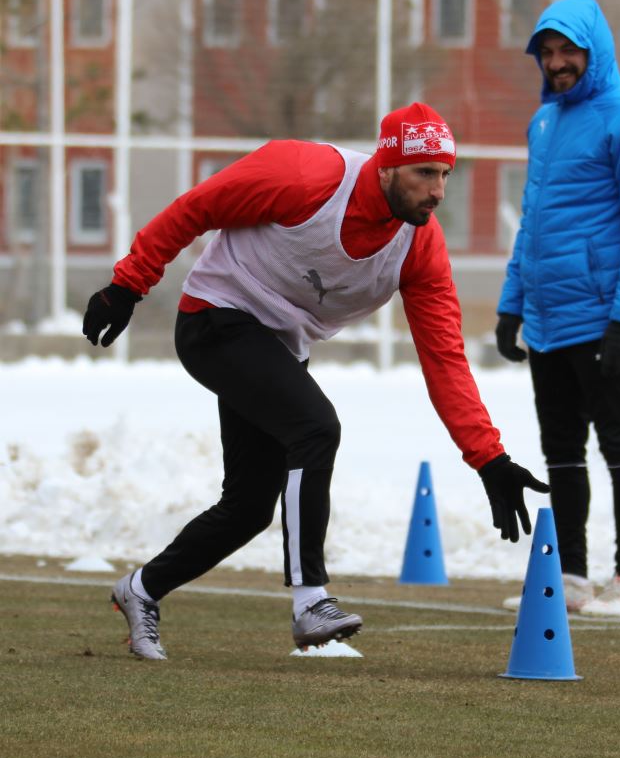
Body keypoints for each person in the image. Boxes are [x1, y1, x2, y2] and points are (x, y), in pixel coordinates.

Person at [82, 102, 549, 660]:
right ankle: (310, 601)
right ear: (386, 166)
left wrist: (489, 459)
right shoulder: (305, 175)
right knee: (316, 428)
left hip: (278, 347)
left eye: (446, 174)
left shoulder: (420, 247)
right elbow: (196, 207)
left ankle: (140, 589)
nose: (438, 190)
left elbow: (445, 359)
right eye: (425, 172)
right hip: (215, 317)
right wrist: (128, 285)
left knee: (249, 508)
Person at [495, 0, 620, 618]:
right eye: (547, 52)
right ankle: (571, 577)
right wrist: (512, 305)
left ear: (595, 51)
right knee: (562, 453)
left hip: (602, 320)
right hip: (547, 322)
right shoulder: (543, 123)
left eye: (568, 50)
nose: (556, 62)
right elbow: (532, 223)